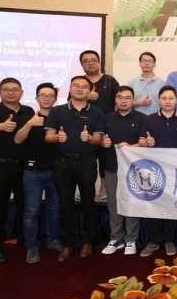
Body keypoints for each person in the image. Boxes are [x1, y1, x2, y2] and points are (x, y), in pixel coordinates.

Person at [44, 76, 104, 262]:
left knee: (88, 204)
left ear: (89, 91)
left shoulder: (96, 112)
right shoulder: (57, 111)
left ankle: (87, 242)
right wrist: (56, 138)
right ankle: (67, 244)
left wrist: (90, 138)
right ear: (69, 89)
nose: (80, 89)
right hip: (63, 162)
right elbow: (48, 137)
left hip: (86, 162)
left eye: (84, 87)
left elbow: (98, 140)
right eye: (76, 86)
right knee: (65, 205)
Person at [0, 78, 35, 263]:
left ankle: (24, 240)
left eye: (15, 89)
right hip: (0, 167)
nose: (11, 92)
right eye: (6, 89)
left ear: (22, 92)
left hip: (23, 166)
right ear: (0, 93)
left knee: (25, 206)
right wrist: (2, 126)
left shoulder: (28, 112)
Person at [14, 83, 62, 263]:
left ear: (55, 99)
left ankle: (53, 240)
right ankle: (32, 246)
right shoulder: (28, 118)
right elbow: (17, 140)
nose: (46, 98)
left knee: (54, 209)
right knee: (32, 211)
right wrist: (29, 124)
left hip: (56, 171)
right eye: (43, 95)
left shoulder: (60, 118)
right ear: (36, 98)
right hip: (33, 172)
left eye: (50, 95)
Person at [138, 85, 177, 257]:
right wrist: (147, 143)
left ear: (176, 100)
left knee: (171, 206)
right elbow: (141, 141)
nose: (167, 101)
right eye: (164, 98)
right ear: (159, 100)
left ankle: (169, 241)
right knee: (153, 206)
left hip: (175, 170)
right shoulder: (150, 119)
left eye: (171, 98)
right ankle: (152, 242)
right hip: (153, 170)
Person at [100, 86, 146, 256]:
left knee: (131, 204)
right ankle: (116, 238)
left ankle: (131, 239)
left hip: (133, 170)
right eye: (120, 97)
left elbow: (144, 143)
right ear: (115, 100)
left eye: (127, 98)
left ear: (133, 100)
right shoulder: (107, 118)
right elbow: (100, 140)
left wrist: (131, 146)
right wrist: (102, 143)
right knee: (113, 204)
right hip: (112, 168)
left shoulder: (142, 118)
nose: (123, 101)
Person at [79, 50, 120, 199]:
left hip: (105, 125)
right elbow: (71, 101)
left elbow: (118, 100)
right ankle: (82, 188)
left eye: (93, 60)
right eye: (86, 61)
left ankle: (103, 188)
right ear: (81, 64)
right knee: (83, 157)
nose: (90, 63)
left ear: (99, 62)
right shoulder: (79, 82)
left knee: (105, 157)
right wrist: (86, 97)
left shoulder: (110, 80)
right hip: (83, 125)